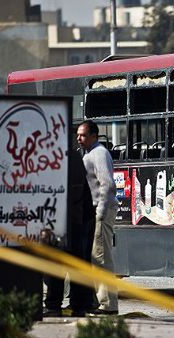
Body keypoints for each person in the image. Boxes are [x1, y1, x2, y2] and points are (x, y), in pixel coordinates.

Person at [43, 149, 97, 317]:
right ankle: (77, 305)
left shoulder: (56, 155)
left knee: (57, 264)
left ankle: (55, 305)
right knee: (74, 264)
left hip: (63, 219)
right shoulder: (72, 156)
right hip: (75, 219)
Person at [77, 120, 119, 315]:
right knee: (95, 256)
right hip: (95, 211)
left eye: (83, 135)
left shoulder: (99, 153)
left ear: (94, 135)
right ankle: (97, 301)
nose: (79, 138)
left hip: (102, 210)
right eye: (78, 135)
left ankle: (108, 305)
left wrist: (100, 212)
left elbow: (107, 184)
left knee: (101, 258)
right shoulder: (89, 153)